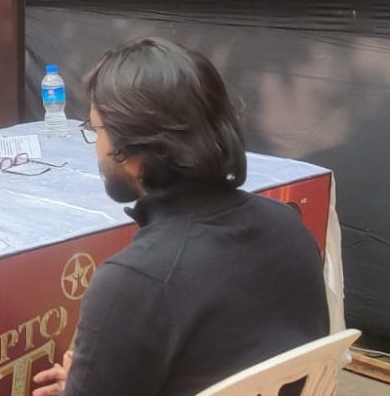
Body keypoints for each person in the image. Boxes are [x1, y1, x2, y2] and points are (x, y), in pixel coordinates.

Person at [33, 37, 329, 396]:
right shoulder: (288, 226)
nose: (96, 146)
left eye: (95, 130)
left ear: (135, 153)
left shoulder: (135, 282)